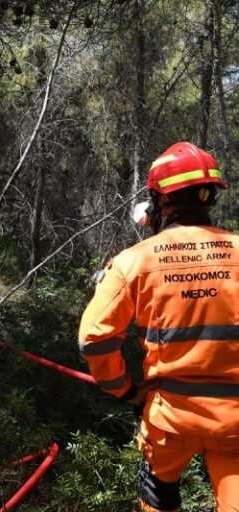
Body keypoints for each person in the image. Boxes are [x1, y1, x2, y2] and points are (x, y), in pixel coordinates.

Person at [78, 142, 239, 512]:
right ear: (210, 196)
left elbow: (93, 339)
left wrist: (125, 390)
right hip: (235, 422)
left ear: (157, 199)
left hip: (170, 419)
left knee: (158, 493)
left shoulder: (134, 261)